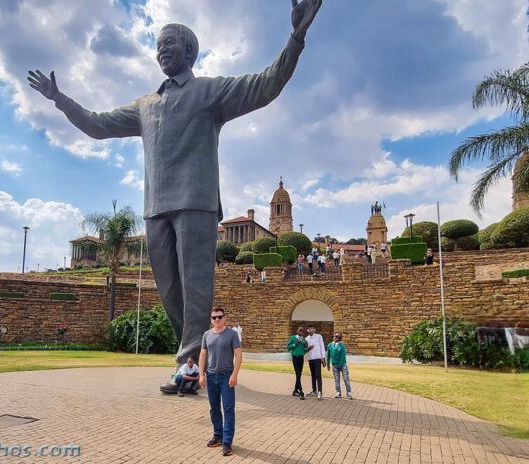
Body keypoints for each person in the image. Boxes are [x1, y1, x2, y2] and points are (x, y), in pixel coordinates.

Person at [27, 1, 322, 384]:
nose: (161, 50)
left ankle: (188, 364)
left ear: (189, 51)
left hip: (196, 203)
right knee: (168, 291)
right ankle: (198, 357)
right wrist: (60, 99)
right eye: (158, 45)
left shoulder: (210, 91)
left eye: (169, 43)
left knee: (197, 288)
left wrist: (296, 37)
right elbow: (97, 126)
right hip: (156, 208)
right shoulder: (145, 105)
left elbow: (266, 85)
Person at [199, 308, 242, 457]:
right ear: (211, 319)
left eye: (219, 317)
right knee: (214, 408)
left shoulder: (232, 334)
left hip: (226, 377)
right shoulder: (207, 334)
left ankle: (227, 442)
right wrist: (201, 375)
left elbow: (238, 355)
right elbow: (203, 355)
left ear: (225, 318)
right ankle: (218, 435)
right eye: (214, 317)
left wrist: (234, 375)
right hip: (211, 376)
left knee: (228, 409)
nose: (217, 319)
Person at [327, 332, 353, 399]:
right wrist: (328, 364)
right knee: (336, 379)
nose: (336, 337)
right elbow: (328, 355)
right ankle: (338, 392)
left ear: (340, 338)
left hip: (342, 365)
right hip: (334, 365)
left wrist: (341, 365)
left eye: (337, 336)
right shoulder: (330, 345)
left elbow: (343, 356)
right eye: (335, 336)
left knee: (346, 379)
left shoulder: (341, 346)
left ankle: (349, 393)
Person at [286, 326, 308, 399]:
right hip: (295, 357)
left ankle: (295, 390)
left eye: (302, 330)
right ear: (297, 331)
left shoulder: (303, 339)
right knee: (298, 373)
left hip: (301, 358)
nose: (301, 331)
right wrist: (295, 343)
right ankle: (301, 391)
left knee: (299, 374)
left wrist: (307, 348)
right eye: (300, 330)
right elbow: (288, 347)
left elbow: (304, 350)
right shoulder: (293, 338)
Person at [306, 325, 326, 400]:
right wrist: (308, 349)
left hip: (318, 358)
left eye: (312, 329)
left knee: (318, 375)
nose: (310, 330)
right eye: (309, 329)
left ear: (314, 330)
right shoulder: (306, 338)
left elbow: (322, 346)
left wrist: (323, 357)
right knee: (313, 375)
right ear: (308, 330)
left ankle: (320, 392)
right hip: (311, 359)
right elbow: (306, 349)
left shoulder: (318, 336)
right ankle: (314, 391)